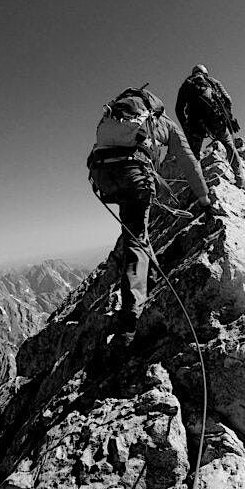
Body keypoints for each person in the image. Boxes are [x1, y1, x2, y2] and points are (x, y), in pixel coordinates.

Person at [88, 87, 211, 333]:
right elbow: (188, 161)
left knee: (136, 231)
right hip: (134, 175)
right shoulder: (164, 124)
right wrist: (205, 199)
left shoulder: (119, 118)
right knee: (136, 238)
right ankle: (131, 315)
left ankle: (152, 280)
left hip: (104, 173)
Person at [174, 65, 241, 163]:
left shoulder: (186, 85)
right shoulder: (213, 82)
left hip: (195, 123)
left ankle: (197, 177)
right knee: (230, 146)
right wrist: (229, 118)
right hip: (216, 120)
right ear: (205, 73)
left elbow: (178, 109)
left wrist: (186, 127)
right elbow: (228, 100)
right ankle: (239, 177)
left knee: (194, 155)